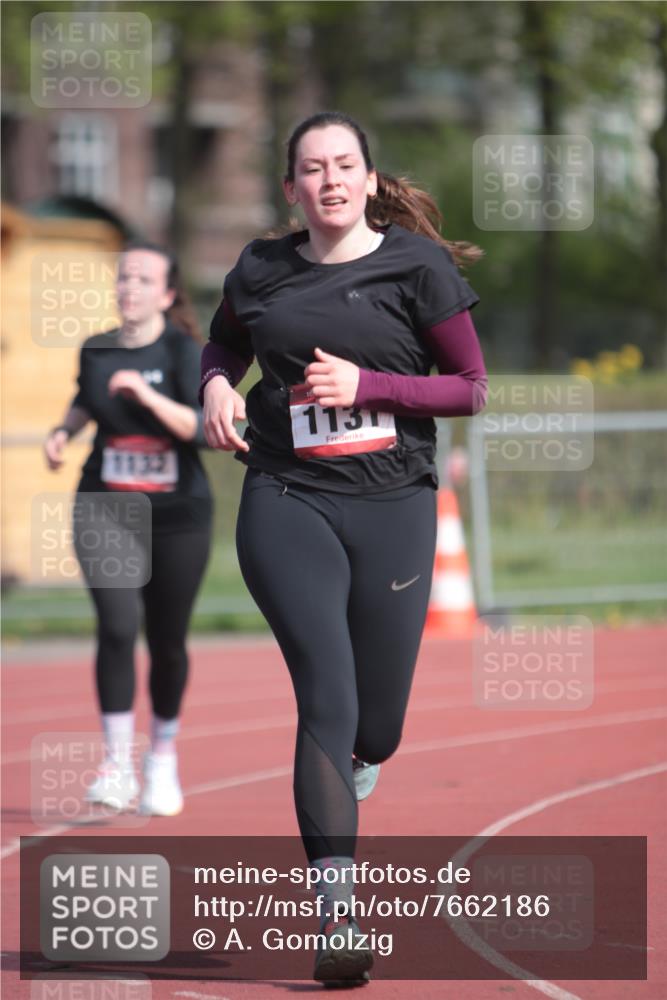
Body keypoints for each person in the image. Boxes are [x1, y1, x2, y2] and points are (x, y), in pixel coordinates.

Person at [201, 111, 487, 983]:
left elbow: (468, 390)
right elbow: (223, 339)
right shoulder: (260, 267)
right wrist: (214, 382)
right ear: (290, 187)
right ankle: (337, 922)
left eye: (343, 165)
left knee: (378, 727)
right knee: (324, 698)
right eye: (310, 168)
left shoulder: (416, 266)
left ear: (367, 180)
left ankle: (361, 764)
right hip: (287, 497)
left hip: (392, 503)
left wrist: (371, 385)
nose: (327, 179)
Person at [44, 242, 212, 817]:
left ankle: (161, 756)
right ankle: (116, 763)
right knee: (117, 627)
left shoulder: (184, 349)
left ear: (167, 293)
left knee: (167, 644)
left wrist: (145, 395)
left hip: (176, 514)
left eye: (143, 279)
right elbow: (84, 398)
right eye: (123, 278)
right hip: (105, 505)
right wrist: (64, 431)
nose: (129, 287)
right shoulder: (96, 349)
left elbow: (200, 426)